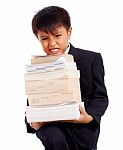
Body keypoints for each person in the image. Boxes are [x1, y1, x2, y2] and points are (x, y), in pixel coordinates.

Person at [25, 6, 109, 150]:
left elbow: (100, 97)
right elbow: (33, 99)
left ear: (69, 32)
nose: (52, 44)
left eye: (57, 36)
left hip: (82, 126)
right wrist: (32, 123)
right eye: (44, 38)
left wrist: (89, 117)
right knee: (55, 138)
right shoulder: (39, 65)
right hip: (51, 127)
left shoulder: (91, 59)